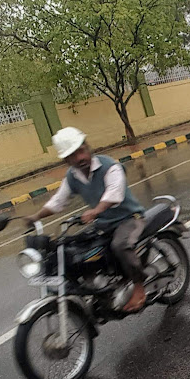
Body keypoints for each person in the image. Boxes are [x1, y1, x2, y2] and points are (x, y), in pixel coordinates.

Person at [25, 127, 147, 312]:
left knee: (120, 245)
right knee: (78, 250)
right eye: (72, 156)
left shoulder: (110, 167)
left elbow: (114, 194)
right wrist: (36, 216)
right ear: (66, 160)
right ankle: (100, 288)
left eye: (81, 151)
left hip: (129, 218)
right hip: (103, 224)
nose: (79, 158)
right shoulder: (73, 176)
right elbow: (59, 201)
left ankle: (139, 288)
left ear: (87, 147)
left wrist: (96, 211)